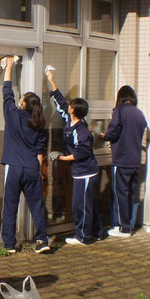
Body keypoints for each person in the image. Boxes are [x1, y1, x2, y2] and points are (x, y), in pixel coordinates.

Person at [0, 56, 50, 253]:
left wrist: (9, 66)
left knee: (10, 206)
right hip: (31, 168)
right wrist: (39, 173)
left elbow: (6, 92)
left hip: (14, 167)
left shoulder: (13, 115)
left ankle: (10, 245)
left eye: (21, 99)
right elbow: (40, 153)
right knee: (36, 205)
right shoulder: (38, 124)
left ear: (22, 104)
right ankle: (42, 241)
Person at [46, 71, 101, 245]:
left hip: (86, 173)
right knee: (87, 204)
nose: (67, 106)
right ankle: (96, 232)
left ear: (75, 110)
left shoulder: (82, 131)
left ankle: (83, 236)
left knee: (81, 205)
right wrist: (51, 80)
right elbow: (60, 101)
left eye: (71, 105)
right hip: (79, 172)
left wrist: (61, 158)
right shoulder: (69, 120)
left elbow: (81, 153)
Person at [101, 85, 148, 238]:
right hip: (135, 160)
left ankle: (123, 228)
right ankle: (128, 224)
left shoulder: (119, 111)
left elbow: (113, 132)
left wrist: (105, 136)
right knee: (130, 194)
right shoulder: (139, 113)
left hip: (121, 160)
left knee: (120, 193)